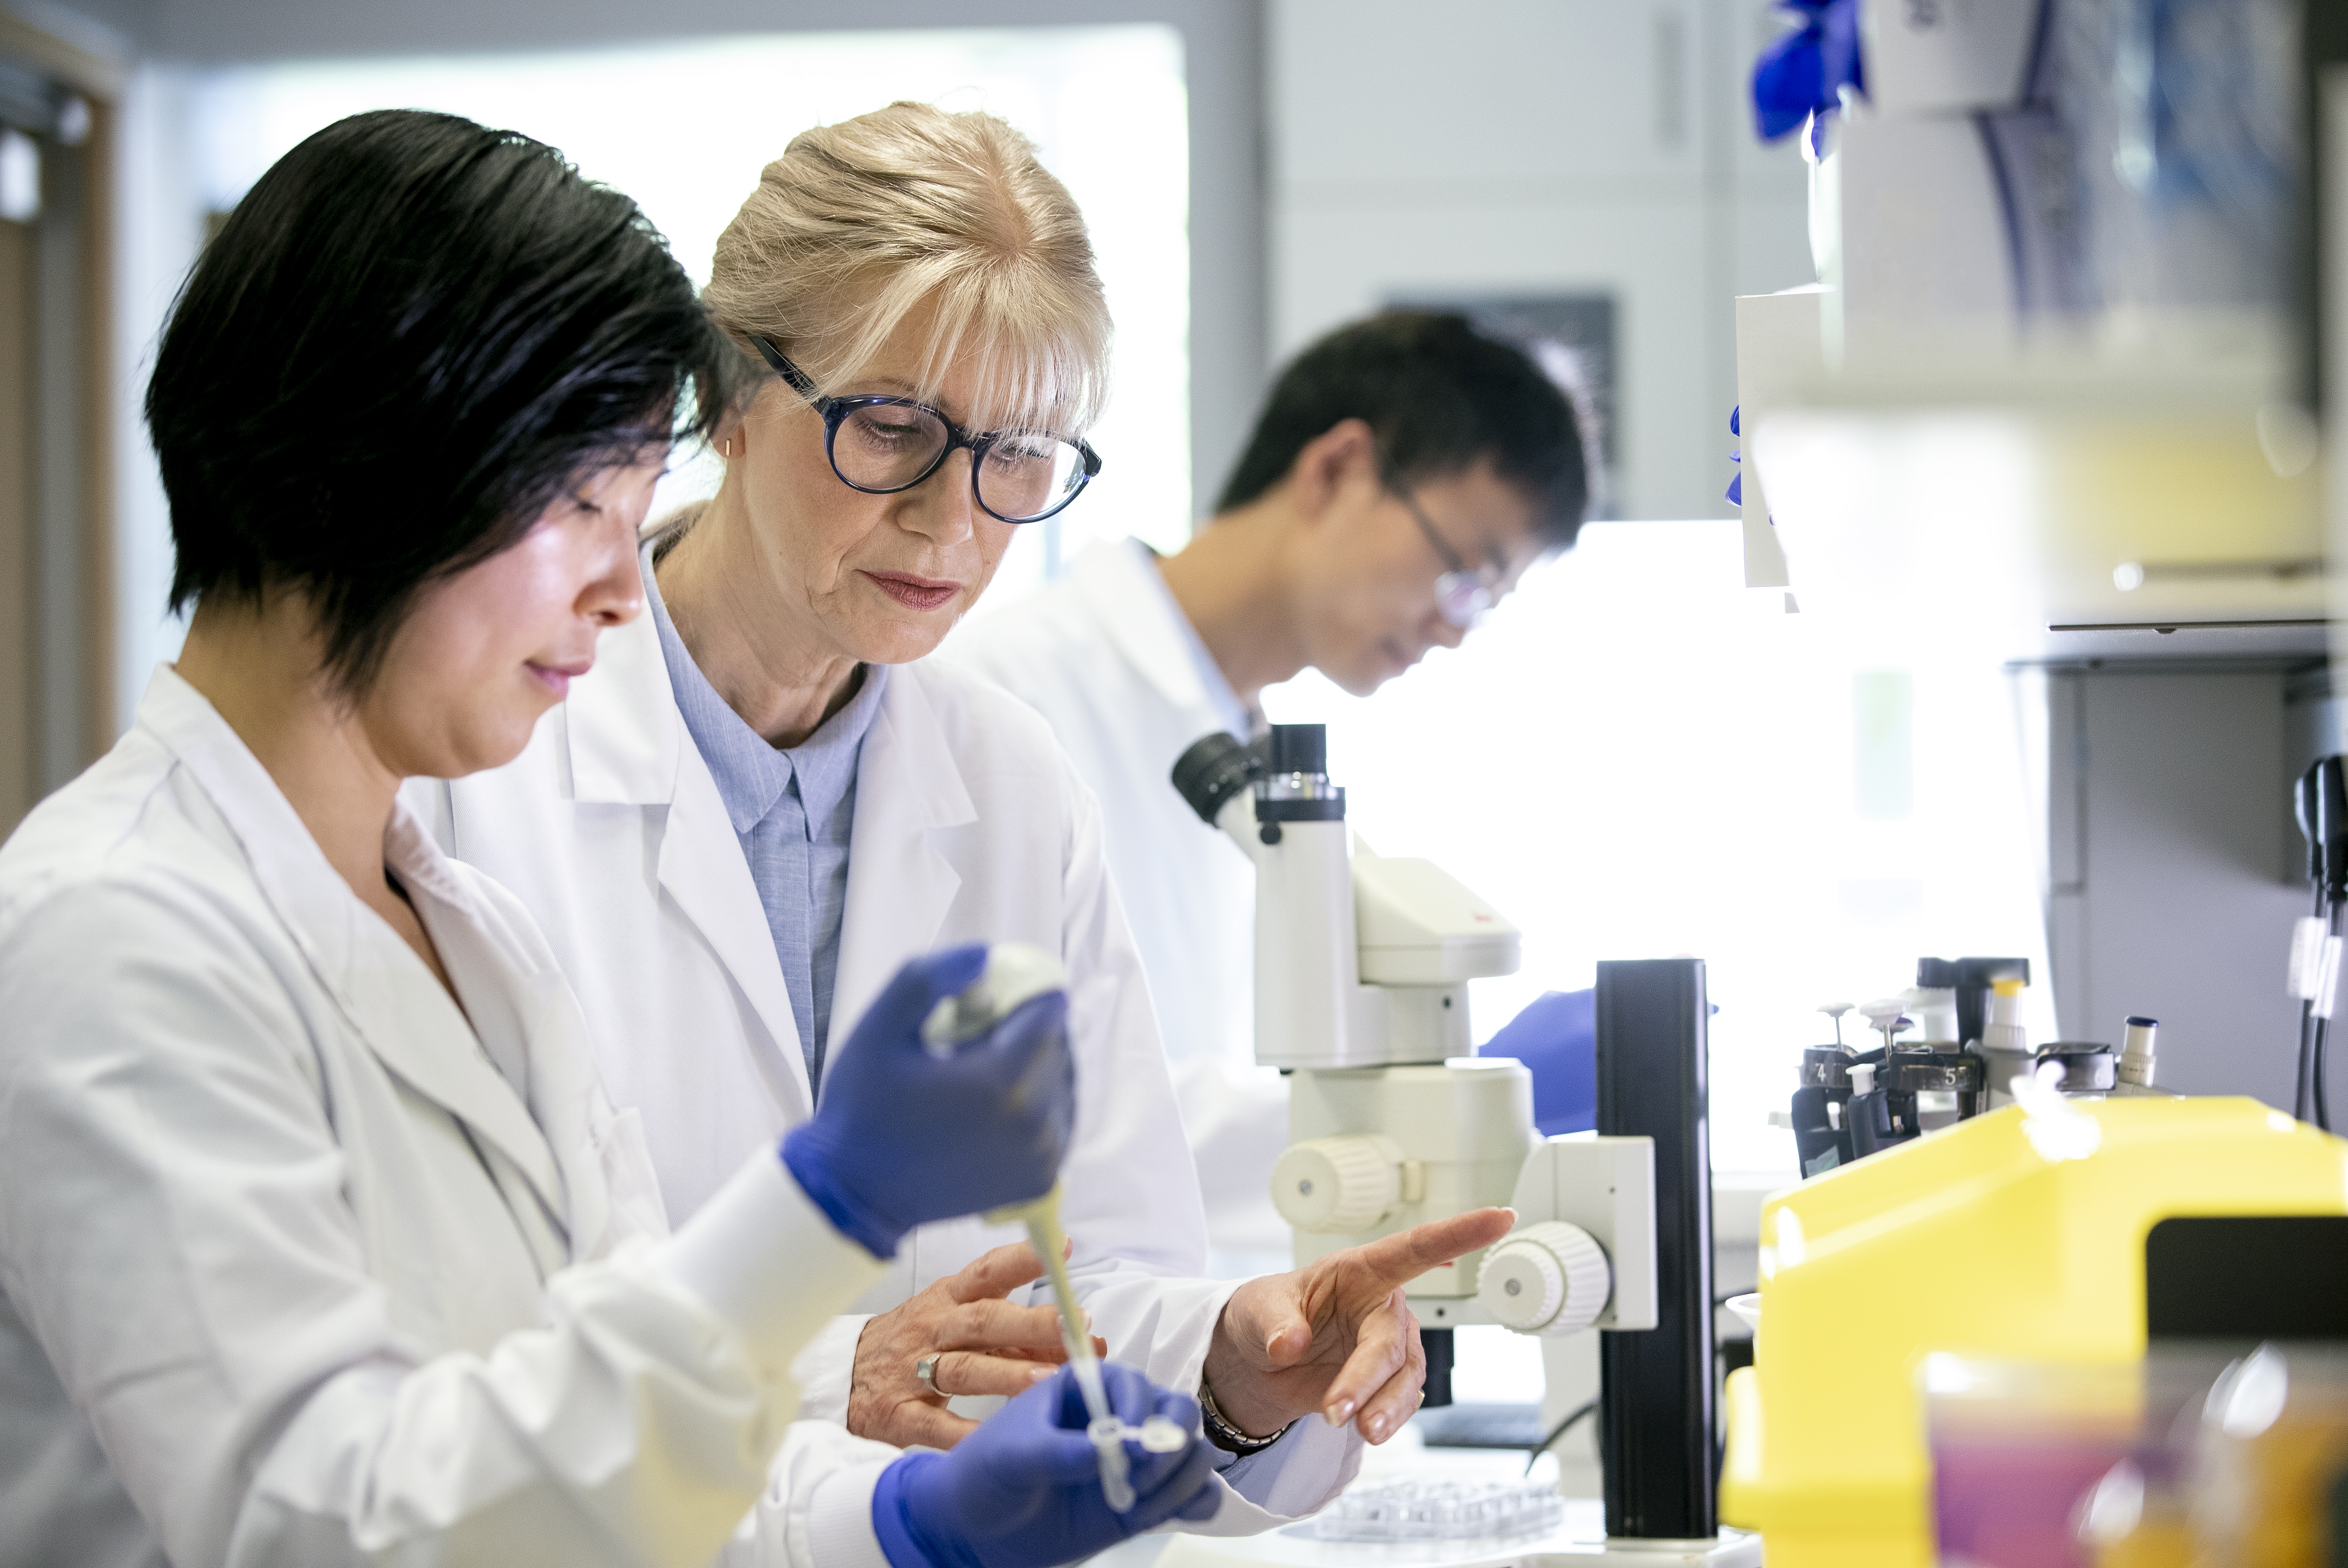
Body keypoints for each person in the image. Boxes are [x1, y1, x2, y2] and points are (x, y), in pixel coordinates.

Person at [0, 109, 1224, 1568]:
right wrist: (824, 1202)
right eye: (583, 503)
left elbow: (616, 1443)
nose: (615, 586)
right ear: (369, 468)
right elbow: (336, 1521)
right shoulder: (107, 935)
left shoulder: (464, 927)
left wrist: (902, 1518)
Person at [418, 99, 1514, 1529]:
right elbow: (458, 1340)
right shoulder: (486, 760)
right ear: (732, 393)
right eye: (892, 429)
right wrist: (835, 1377)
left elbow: (1094, 1274)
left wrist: (1244, 1366)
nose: (954, 523)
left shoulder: (1007, 775)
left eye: (1018, 456)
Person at [949, 311, 1595, 1267]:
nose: (1454, 630)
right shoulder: (1010, 700)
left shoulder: (1253, 753)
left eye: (1485, 608)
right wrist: (1429, 1115)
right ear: (1338, 470)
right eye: (1464, 574)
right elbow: (1012, 1112)